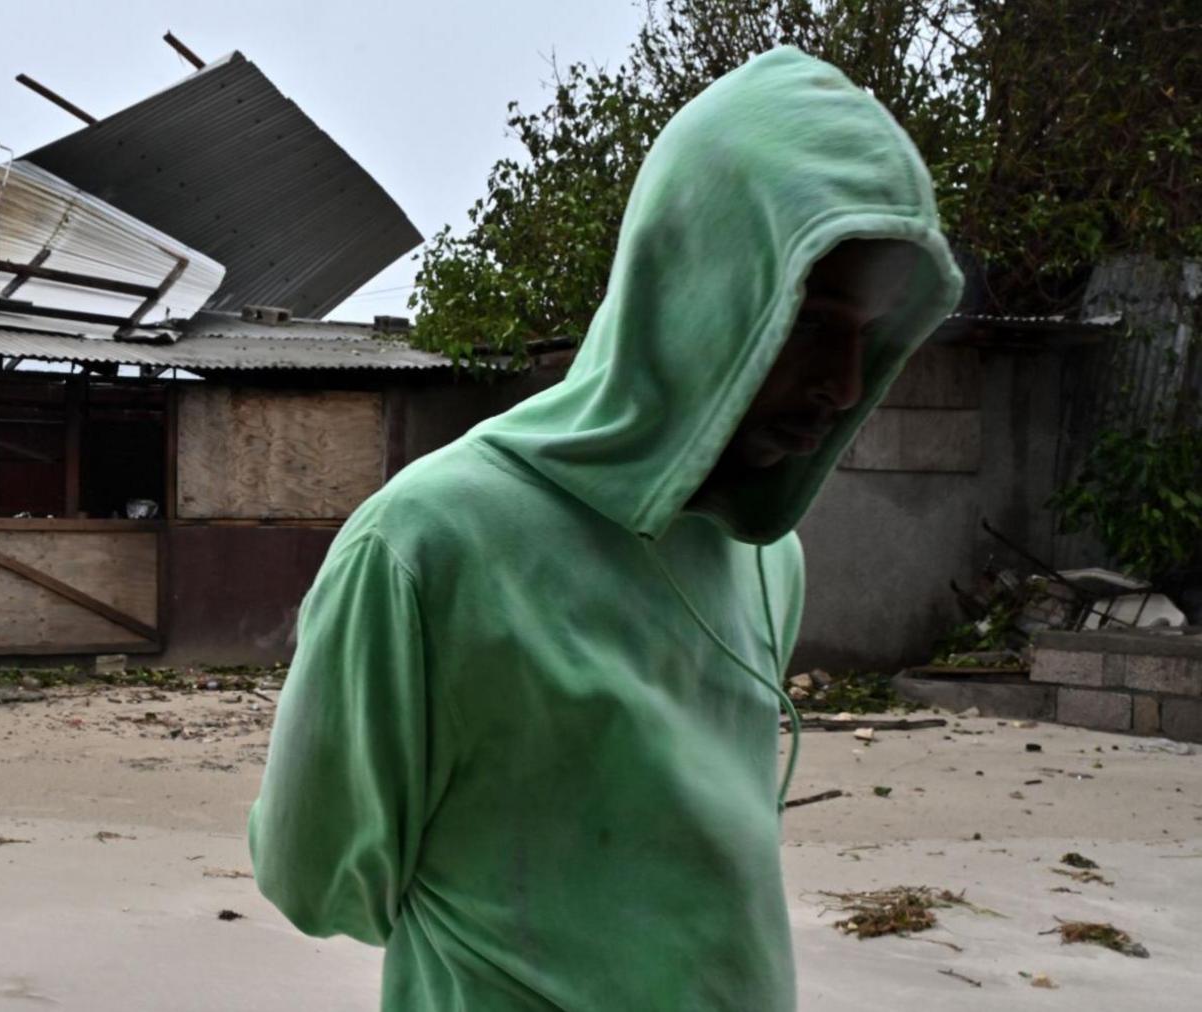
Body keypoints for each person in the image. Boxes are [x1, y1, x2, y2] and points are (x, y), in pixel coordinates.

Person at [247, 47, 963, 1010]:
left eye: (866, 335)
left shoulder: (766, 557)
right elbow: (316, 877)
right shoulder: (427, 545)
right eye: (806, 318)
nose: (841, 384)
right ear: (695, 283)